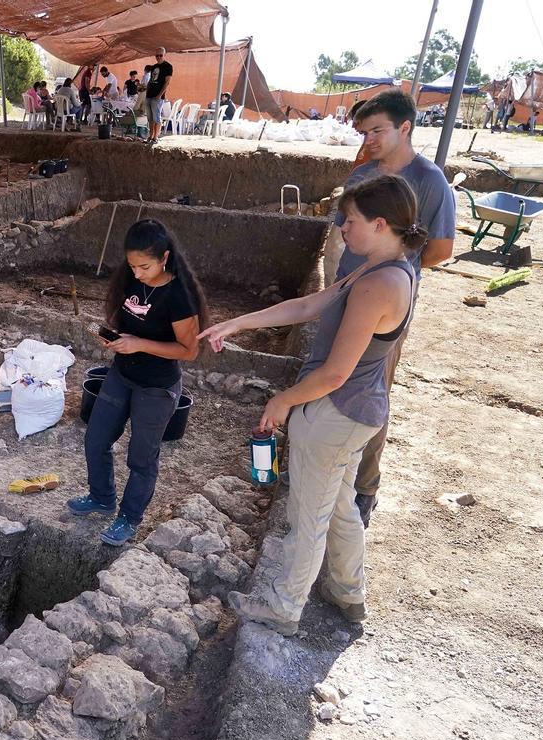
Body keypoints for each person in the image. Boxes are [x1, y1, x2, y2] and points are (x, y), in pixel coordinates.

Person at [201, 175, 423, 635]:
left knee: (308, 515)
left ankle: (284, 608)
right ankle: (348, 592)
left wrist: (283, 401)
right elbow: (305, 307)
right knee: (339, 506)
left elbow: (336, 372)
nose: (342, 227)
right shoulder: (375, 267)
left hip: (336, 412)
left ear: (380, 224)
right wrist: (237, 324)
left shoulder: (380, 284)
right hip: (352, 411)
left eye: (351, 220)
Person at [330, 89, 455, 527]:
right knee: (334, 373)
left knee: (371, 388)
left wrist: (392, 266)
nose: (370, 140)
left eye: (378, 131)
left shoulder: (429, 180)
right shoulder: (363, 172)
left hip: (383, 302)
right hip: (347, 287)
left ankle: (364, 487)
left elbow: (439, 249)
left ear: (405, 127)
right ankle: (331, 466)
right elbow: (343, 223)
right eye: (364, 133)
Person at [67, 220, 207, 546]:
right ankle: (102, 497)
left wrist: (139, 345)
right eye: (132, 266)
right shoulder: (132, 279)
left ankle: (129, 518)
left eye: (145, 266)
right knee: (96, 440)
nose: (138, 273)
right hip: (121, 374)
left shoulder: (179, 297)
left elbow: (189, 351)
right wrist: (117, 340)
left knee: (141, 458)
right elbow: (130, 322)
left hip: (156, 388)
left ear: (165, 258)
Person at [143, 48, 173, 142]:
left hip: (158, 96)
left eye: (161, 55)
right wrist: (145, 90)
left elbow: (167, 82)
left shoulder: (168, 66)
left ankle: (155, 137)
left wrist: (160, 94)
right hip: (149, 95)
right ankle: (150, 136)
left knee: (157, 117)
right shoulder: (154, 67)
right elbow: (151, 81)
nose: (158, 57)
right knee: (150, 118)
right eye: (157, 55)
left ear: (164, 55)